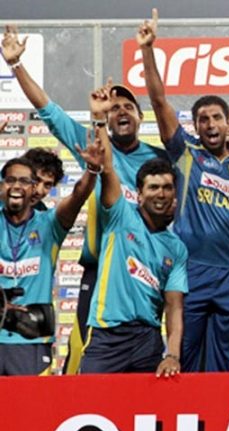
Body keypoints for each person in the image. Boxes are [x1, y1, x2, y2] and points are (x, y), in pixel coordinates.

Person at [2, 25, 166, 375]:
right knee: (83, 361)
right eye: (114, 107)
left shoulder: (159, 162)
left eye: (128, 106)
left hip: (144, 275)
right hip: (100, 271)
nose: (120, 111)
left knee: (145, 366)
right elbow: (50, 111)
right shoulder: (94, 143)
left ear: (140, 116)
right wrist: (15, 65)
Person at [138, 9, 229, 372]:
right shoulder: (187, 154)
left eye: (217, 117)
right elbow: (158, 102)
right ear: (196, 126)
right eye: (203, 119)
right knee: (180, 357)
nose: (210, 124)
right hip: (193, 269)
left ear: (228, 122)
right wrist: (148, 50)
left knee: (223, 365)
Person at [79, 86, 186, 376]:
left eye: (166, 188)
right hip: (105, 337)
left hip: (148, 340)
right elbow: (109, 168)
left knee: (147, 417)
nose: (160, 194)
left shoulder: (176, 248)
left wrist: (172, 354)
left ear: (175, 197)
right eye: (152, 188)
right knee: (88, 408)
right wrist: (100, 121)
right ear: (138, 195)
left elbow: (174, 307)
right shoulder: (120, 216)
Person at [0, 146, 96, 376]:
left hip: (31, 339)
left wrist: (92, 169)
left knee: (30, 410)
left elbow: (78, 196)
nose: (39, 191)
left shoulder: (49, 222)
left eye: (46, 185)